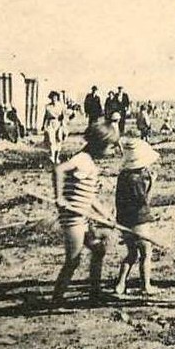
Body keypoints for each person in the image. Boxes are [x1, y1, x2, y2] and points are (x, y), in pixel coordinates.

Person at [51, 123, 120, 305]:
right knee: (73, 260)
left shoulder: (89, 162)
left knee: (98, 249)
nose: (113, 150)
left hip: (82, 216)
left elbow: (90, 198)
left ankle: (95, 292)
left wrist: (107, 215)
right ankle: (57, 298)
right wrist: (59, 198)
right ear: (99, 144)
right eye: (111, 146)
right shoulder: (82, 159)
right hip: (72, 217)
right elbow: (58, 169)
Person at [114, 136, 160, 295]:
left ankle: (120, 284)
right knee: (146, 253)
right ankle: (145, 285)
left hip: (124, 220)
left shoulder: (123, 176)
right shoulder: (138, 179)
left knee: (131, 254)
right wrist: (152, 184)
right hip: (139, 220)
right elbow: (144, 201)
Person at [42, 91, 66, 164]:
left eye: (55, 97)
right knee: (51, 140)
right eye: (52, 97)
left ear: (57, 98)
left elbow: (63, 116)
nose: (54, 99)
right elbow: (45, 116)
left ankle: (57, 157)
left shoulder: (60, 106)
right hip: (50, 123)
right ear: (50, 98)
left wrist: (63, 125)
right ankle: (52, 156)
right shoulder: (48, 107)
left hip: (58, 123)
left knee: (58, 140)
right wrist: (43, 125)